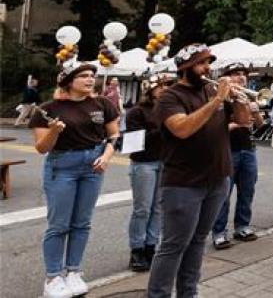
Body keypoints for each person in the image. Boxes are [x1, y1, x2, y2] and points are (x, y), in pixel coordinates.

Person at [147, 44, 233, 298]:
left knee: (198, 240)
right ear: (185, 67)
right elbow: (182, 129)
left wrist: (239, 102)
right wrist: (217, 101)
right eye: (202, 63)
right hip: (184, 182)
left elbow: (244, 121)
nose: (208, 68)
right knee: (174, 245)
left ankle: (188, 292)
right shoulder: (170, 97)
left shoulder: (211, 90)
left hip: (217, 178)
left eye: (209, 63)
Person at [31, 62, 120, 298]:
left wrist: (107, 156)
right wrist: (54, 131)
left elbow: (114, 135)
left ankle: (73, 271)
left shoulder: (103, 104)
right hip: (62, 166)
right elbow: (41, 148)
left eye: (92, 75)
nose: (90, 79)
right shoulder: (48, 109)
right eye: (83, 76)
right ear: (69, 81)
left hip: (93, 165)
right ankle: (53, 277)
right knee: (59, 225)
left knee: (82, 223)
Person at [212, 63, 263, 249]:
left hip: (249, 149)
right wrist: (235, 124)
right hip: (228, 150)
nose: (241, 77)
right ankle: (219, 232)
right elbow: (212, 128)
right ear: (227, 78)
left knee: (247, 191)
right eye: (236, 74)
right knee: (223, 194)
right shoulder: (220, 99)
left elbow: (260, 126)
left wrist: (255, 112)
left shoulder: (247, 97)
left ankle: (242, 227)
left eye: (243, 74)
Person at [125, 74, 170, 273]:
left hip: (165, 161)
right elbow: (136, 141)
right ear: (150, 89)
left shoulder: (170, 109)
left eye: (168, 86)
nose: (165, 89)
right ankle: (137, 249)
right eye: (161, 86)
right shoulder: (137, 112)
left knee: (158, 208)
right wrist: (164, 127)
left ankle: (151, 246)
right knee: (142, 208)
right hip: (144, 162)